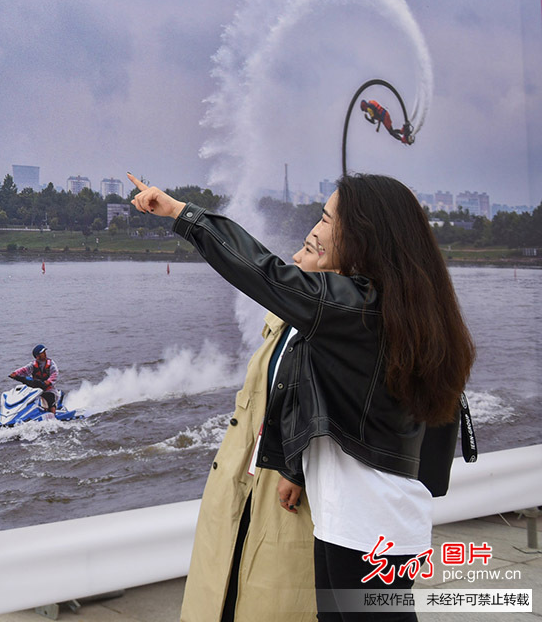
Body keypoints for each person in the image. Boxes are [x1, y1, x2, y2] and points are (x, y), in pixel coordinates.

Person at [128, 172, 474, 622]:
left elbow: (264, 272)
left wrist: (180, 213)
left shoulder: (360, 307)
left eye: (327, 218)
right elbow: (322, 399)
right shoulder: (397, 308)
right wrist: (295, 468)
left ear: (363, 235)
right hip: (347, 521)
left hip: (369, 531)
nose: (316, 227)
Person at [180, 237, 327, 622]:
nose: (296, 257)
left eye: (311, 249)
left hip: (283, 493)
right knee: (222, 592)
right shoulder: (285, 319)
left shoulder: (336, 330)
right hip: (242, 477)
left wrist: (293, 468)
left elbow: (331, 409)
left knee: (266, 595)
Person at [10, 344, 59, 413]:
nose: (45, 354)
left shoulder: (51, 364)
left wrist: (48, 381)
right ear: (37, 356)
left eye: (45, 352)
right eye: (42, 353)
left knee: (50, 399)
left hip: (49, 389)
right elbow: (24, 370)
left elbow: (55, 373)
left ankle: (54, 415)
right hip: (36, 389)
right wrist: (15, 373)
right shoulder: (33, 365)